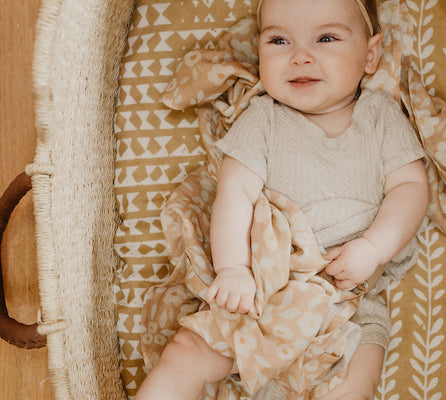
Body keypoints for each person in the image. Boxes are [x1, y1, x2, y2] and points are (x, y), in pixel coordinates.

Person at [136, 0, 429, 399]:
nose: (300, 57)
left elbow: (411, 189)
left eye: (326, 38)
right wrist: (235, 268)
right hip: (265, 291)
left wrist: (372, 249)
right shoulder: (263, 118)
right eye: (279, 40)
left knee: (357, 382)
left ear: (370, 55)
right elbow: (234, 193)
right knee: (186, 354)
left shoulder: (381, 117)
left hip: (347, 300)